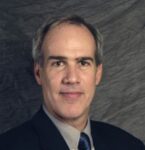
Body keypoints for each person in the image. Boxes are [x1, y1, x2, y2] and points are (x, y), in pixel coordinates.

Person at [0, 15, 145, 150]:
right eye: (58, 63)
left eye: (83, 63)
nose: (72, 78)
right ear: (39, 73)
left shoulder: (129, 145)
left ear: (97, 74)